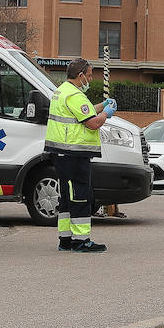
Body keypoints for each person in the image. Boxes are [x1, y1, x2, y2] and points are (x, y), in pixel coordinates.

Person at [44, 57, 117, 253]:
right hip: (74, 152)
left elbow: (85, 113)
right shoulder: (75, 95)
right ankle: (81, 240)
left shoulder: (62, 92)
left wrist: (102, 106)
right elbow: (92, 123)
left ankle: (66, 239)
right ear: (80, 75)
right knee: (80, 196)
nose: (91, 79)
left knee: (67, 196)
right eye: (90, 75)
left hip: (62, 152)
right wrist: (107, 114)